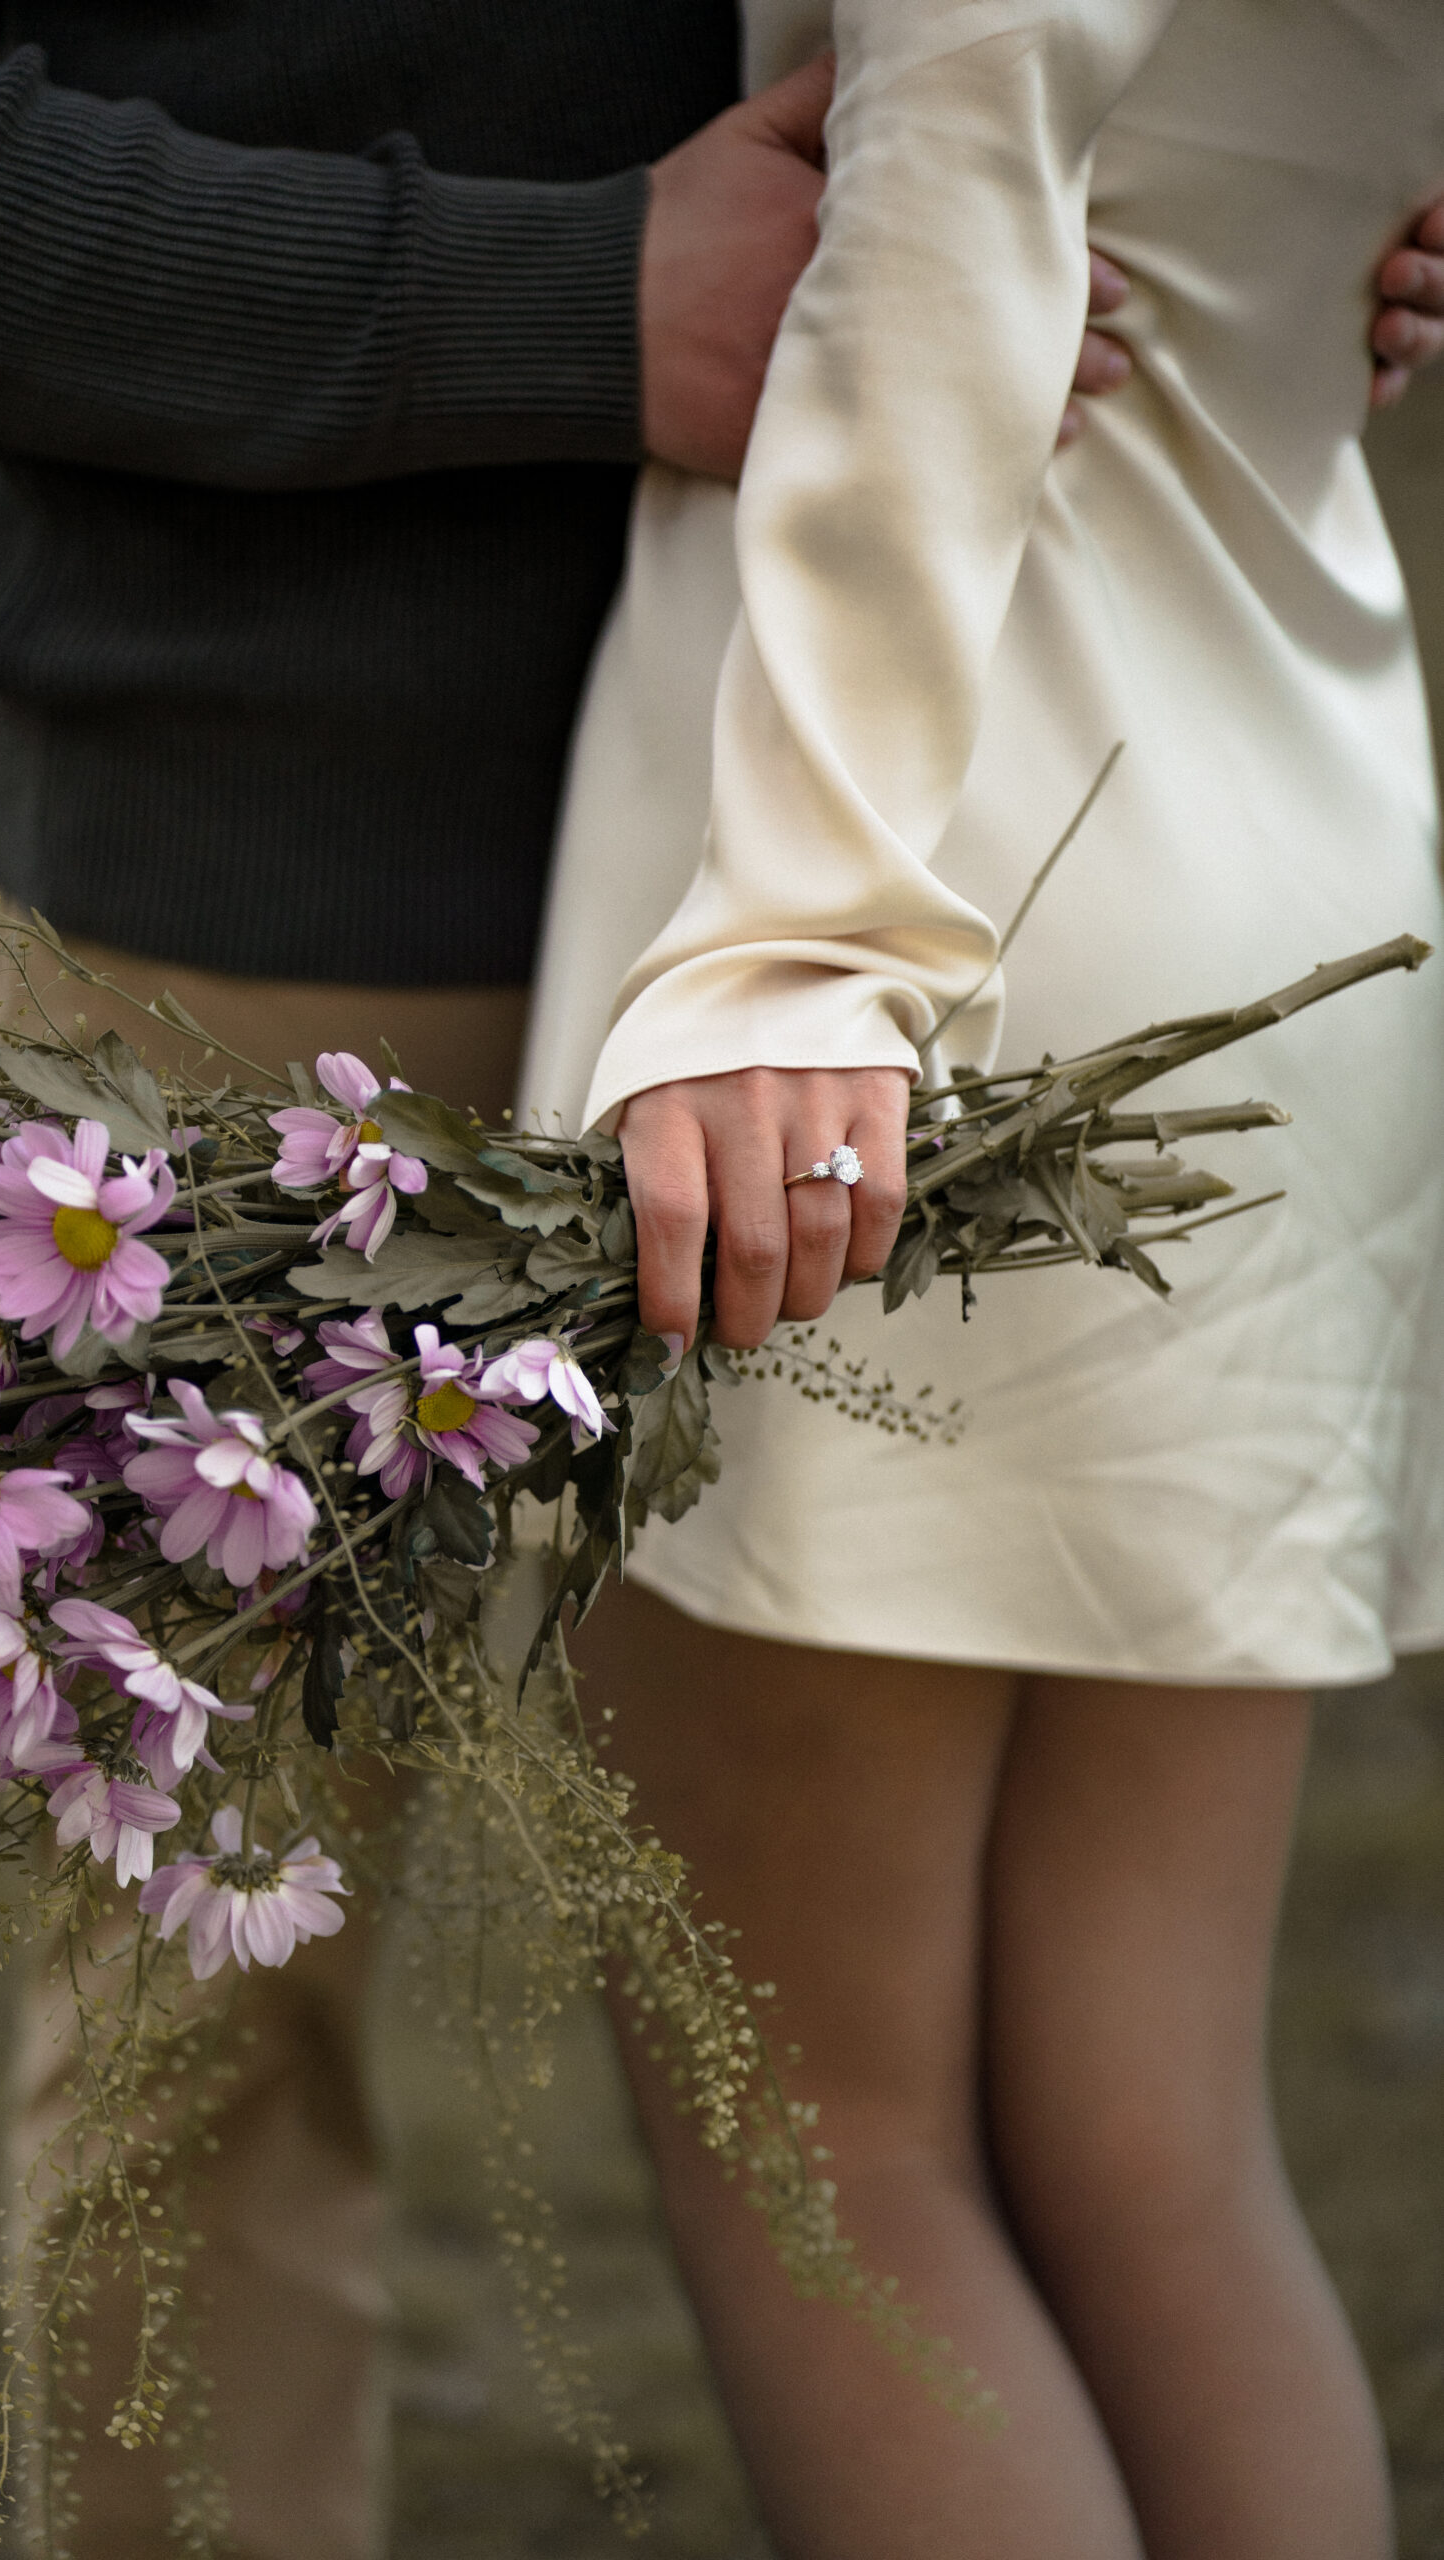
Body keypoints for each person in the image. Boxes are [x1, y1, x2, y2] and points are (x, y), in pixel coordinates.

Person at [0, 4, 1441, 2551]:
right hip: (527, 811)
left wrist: (791, 945)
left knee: (837, 2124)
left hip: (867, 919)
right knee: (1099, 2120)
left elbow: (965, 187)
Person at [522, 3, 1444, 2556]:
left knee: (816, 2119)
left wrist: (795, 953)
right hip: (1286, 834)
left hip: (937, 909)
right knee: (1150, 2133)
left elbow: (927, 249)